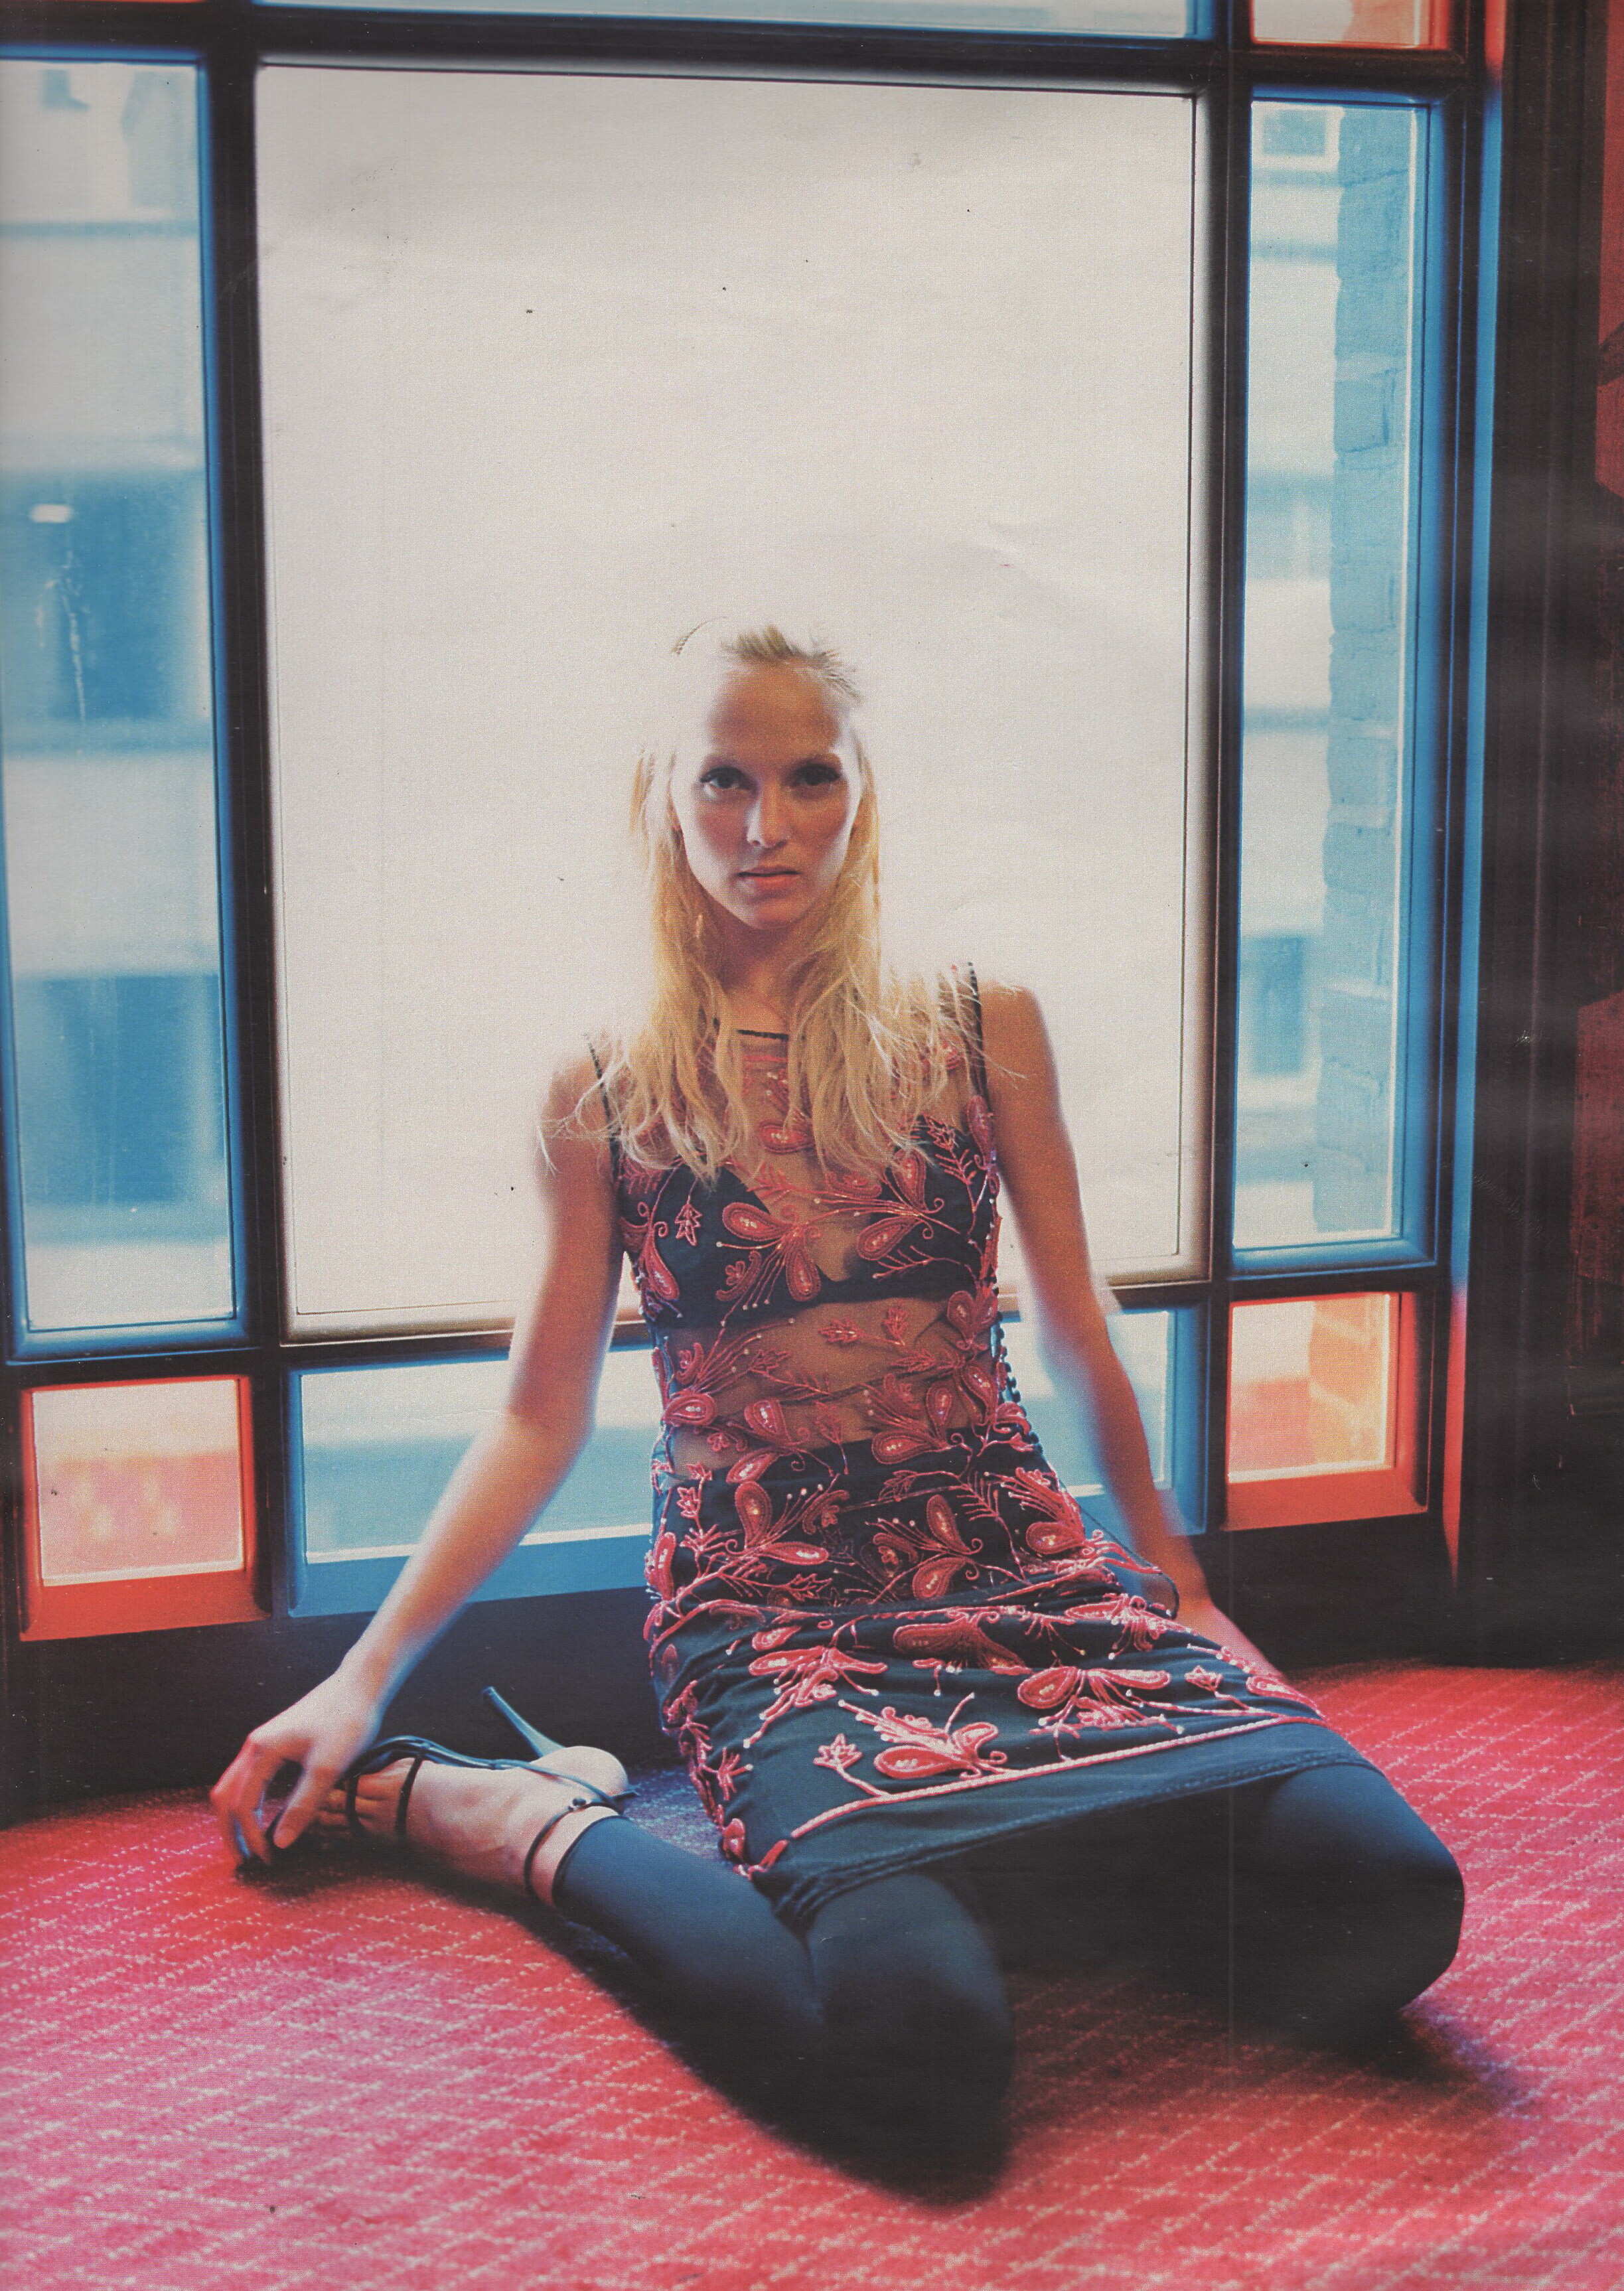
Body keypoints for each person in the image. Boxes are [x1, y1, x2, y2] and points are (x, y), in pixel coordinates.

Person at [212, 624, 1463, 2167]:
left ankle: (998, 1863)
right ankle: (512, 1818)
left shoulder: (980, 1020)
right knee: (913, 2069)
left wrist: (1184, 1586)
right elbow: (539, 1414)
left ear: (863, 793)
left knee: (1394, 1904)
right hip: (775, 1607)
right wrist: (362, 1681)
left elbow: (1078, 1324)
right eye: (723, 780)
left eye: (811, 776)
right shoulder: (608, 1082)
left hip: (1026, 1570)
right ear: (662, 798)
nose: (768, 825)